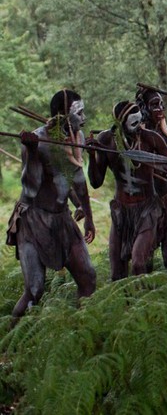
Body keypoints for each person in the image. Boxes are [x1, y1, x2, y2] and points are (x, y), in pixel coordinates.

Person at [6, 90, 97, 323]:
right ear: (62, 115)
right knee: (34, 289)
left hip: (63, 220)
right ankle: (10, 337)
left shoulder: (77, 137)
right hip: (34, 221)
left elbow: (76, 180)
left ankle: (80, 332)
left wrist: (87, 215)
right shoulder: (40, 142)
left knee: (88, 277)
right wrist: (32, 152)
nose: (84, 118)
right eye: (79, 113)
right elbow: (31, 187)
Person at [88, 101, 167, 280]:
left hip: (147, 210)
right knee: (117, 274)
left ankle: (146, 295)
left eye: (139, 123)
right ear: (120, 123)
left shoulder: (150, 138)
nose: (138, 129)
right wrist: (91, 156)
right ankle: (134, 298)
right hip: (121, 212)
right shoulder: (106, 140)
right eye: (133, 124)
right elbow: (96, 182)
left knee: (138, 263)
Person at [135, 87, 167, 272]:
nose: (160, 109)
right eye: (154, 105)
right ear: (142, 108)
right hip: (143, 203)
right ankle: (146, 285)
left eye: (161, 104)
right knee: (144, 256)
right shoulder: (134, 137)